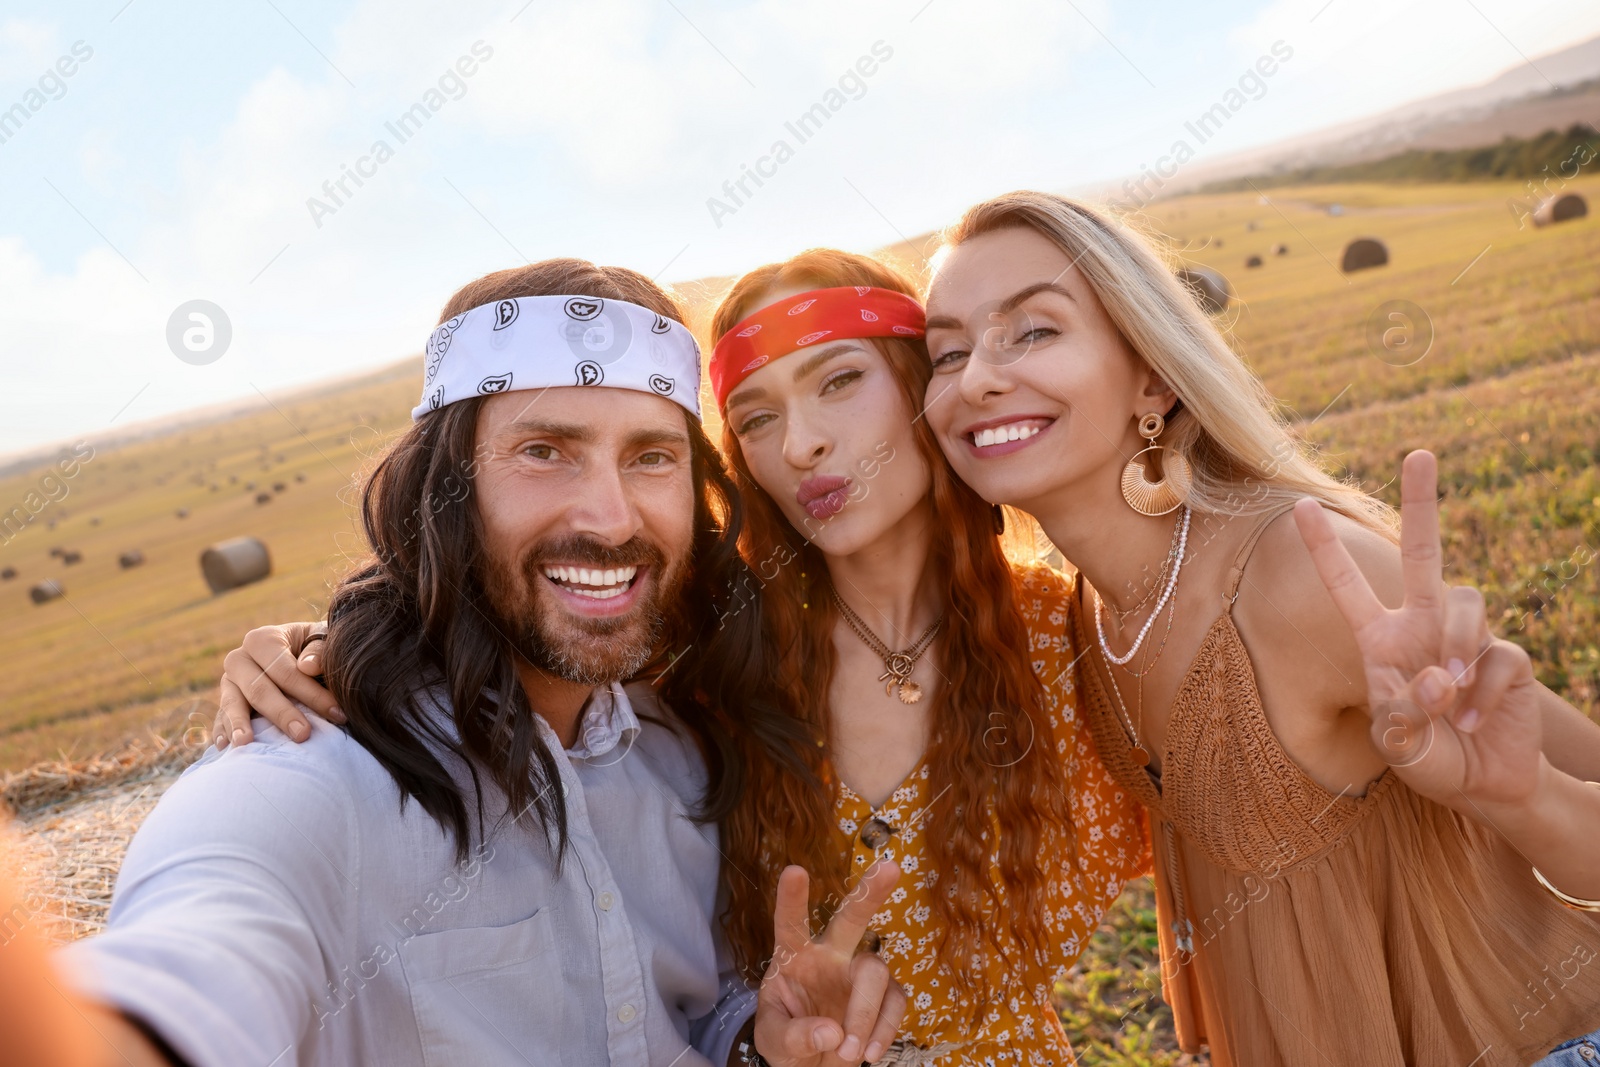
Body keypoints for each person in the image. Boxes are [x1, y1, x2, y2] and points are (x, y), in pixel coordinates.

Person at [214, 250, 1150, 1064]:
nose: (805, 444)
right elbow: (526, 606)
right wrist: (340, 642)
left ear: (923, 387)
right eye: (754, 416)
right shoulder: (707, 645)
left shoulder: (1068, 637)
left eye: (839, 381)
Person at [54, 260, 908, 1067]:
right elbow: (183, 962)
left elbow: (680, 1011)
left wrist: (759, 1040)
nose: (612, 519)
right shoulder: (308, 780)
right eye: (545, 450)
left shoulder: (680, 753)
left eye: (651, 456)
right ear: (445, 491)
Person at [919, 189, 1600, 1065]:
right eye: (947, 352)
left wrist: (1523, 798)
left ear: (1153, 376)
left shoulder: (1299, 574)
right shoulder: (1084, 617)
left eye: (1035, 331)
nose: (976, 378)